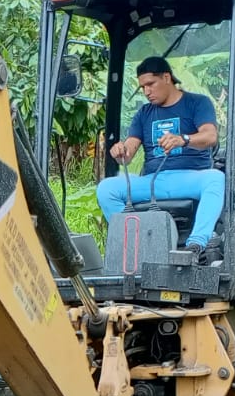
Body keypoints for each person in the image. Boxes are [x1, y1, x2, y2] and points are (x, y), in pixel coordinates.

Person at [96, 55, 225, 260]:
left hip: (190, 177)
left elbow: (210, 136)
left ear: (166, 77)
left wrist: (182, 139)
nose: (146, 91)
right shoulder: (144, 113)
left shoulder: (197, 103)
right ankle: (138, 244)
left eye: (150, 84)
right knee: (107, 188)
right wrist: (120, 151)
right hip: (153, 181)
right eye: (142, 87)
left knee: (216, 178)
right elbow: (128, 153)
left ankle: (196, 244)